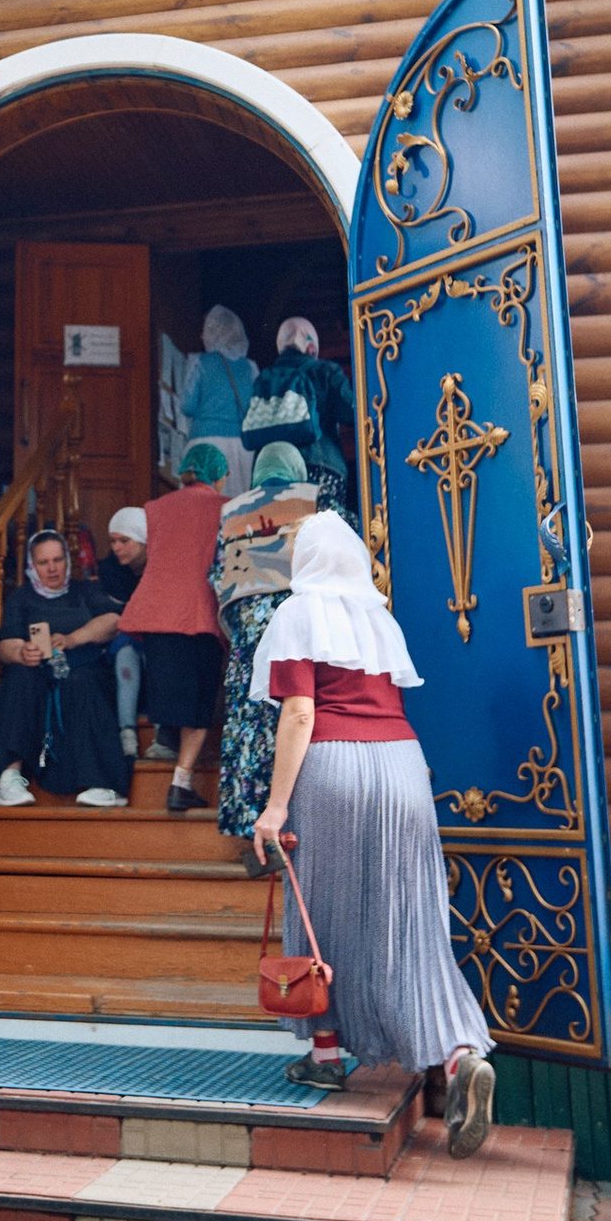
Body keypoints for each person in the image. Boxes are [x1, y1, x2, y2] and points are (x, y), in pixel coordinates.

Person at [251, 513, 495, 1144]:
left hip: (333, 767)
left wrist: (275, 807)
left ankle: (326, 1056)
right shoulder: (379, 619)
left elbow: (299, 713)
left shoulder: (297, 613)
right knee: (411, 922)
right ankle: (460, 1055)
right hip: (403, 767)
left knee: (321, 912)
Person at [118, 444, 235, 814]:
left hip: (157, 611)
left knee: (171, 689)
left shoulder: (155, 507)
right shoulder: (228, 507)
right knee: (201, 703)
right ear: (218, 474)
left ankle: (165, 742)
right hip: (199, 612)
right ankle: (180, 782)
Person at [212, 444, 316, 838]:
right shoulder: (312, 502)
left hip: (249, 638)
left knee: (249, 721)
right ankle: (295, 822)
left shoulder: (233, 512)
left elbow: (218, 575)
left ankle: (250, 824)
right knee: (292, 713)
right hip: (296, 629)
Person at [0, 529, 130, 808]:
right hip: (36, 672)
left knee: (84, 681)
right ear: (32, 565)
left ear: (67, 560)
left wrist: (72, 639)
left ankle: (101, 782)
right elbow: (3, 645)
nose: (52, 568)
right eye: (43, 562)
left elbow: (113, 621)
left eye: (58, 560)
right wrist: (22, 652)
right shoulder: (21, 598)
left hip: (82, 668)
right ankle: (10, 777)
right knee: (19, 677)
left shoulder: (84, 590)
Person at [240, 315, 356, 509]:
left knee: (278, 525)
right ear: (310, 346)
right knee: (323, 525)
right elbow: (353, 412)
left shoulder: (264, 380)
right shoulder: (325, 371)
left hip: (269, 474)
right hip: (320, 466)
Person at [85, 505, 148, 753]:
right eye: (113, 541)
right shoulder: (109, 571)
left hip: (154, 641)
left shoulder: (158, 570)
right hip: (125, 643)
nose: (117, 547)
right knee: (125, 652)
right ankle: (127, 731)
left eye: (124, 541)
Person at [181, 306, 254, 450]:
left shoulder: (199, 361)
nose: (202, 336)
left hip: (204, 438)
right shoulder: (251, 368)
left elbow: (187, 406)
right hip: (240, 443)